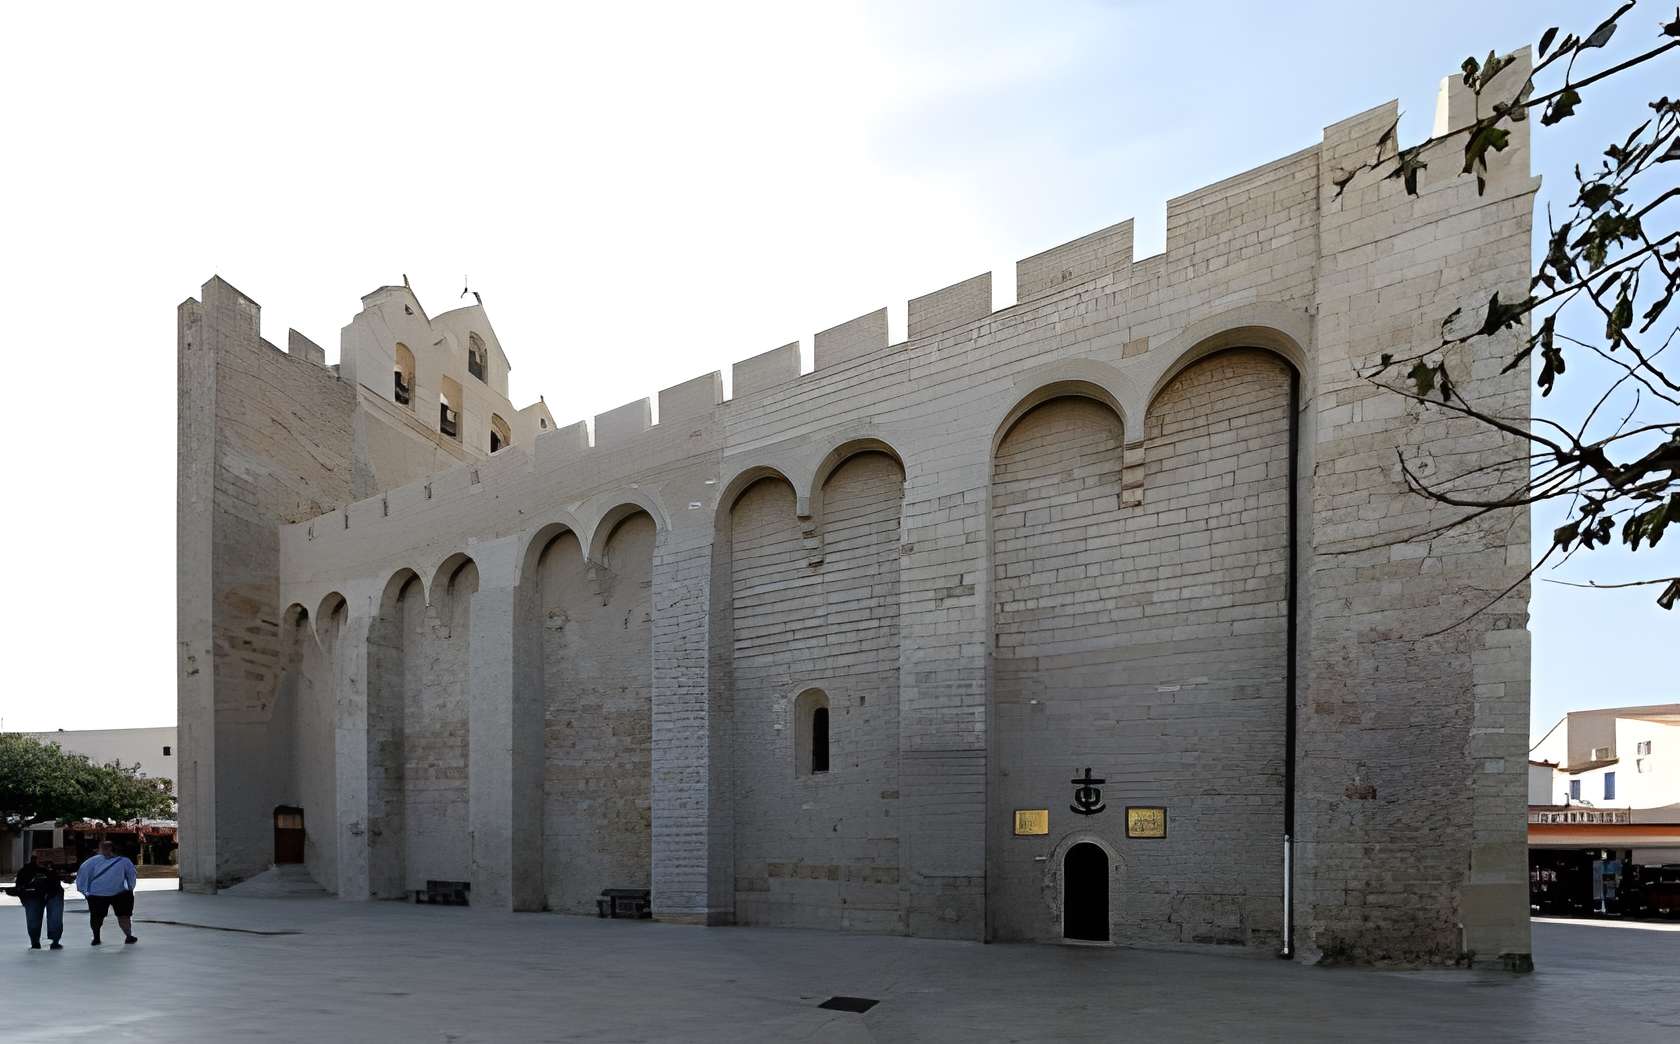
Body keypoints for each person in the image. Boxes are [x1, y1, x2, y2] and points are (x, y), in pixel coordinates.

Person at [74, 840, 138, 946]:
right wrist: (130, 888)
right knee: (123, 916)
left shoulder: (90, 862)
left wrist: (84, 891)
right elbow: (131, 875)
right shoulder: (124, 861)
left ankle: (96, 938)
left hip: (98, 894)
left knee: (97, 917)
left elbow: (81, 876)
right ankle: (128, 935)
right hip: (118, 893)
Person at [7, 850, 65, 950]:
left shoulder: (54, 868)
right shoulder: (26, 870)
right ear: (34, 859)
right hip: (33, 896)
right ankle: (35, 941)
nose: (42, 862)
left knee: (55, 919)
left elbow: (64, 877)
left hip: (53, 894)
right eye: (40, 859)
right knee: (33, 921)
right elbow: (20, 887)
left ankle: (54, 941)